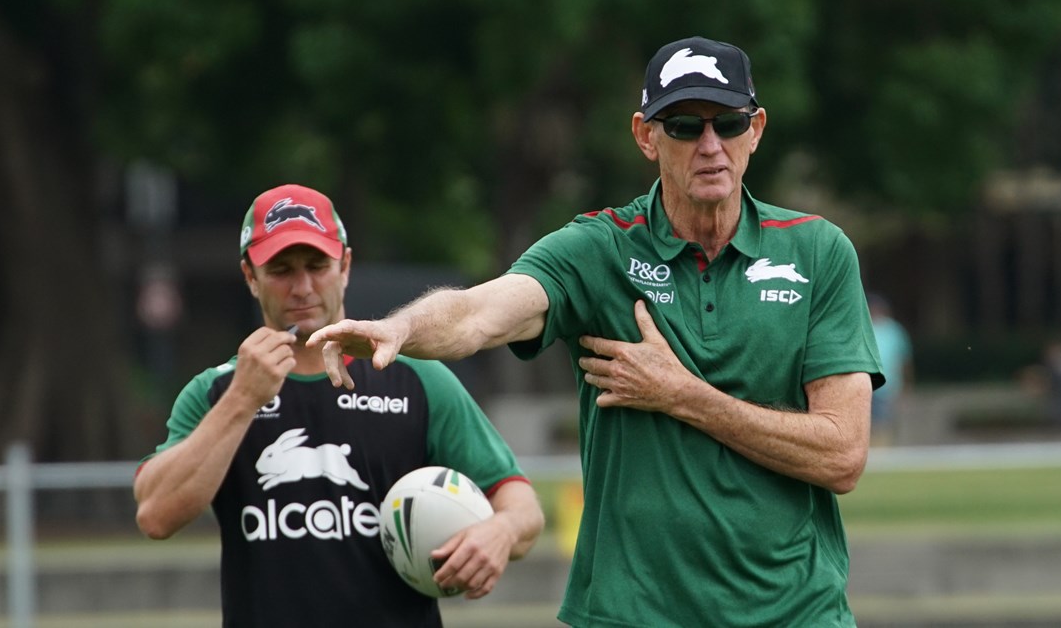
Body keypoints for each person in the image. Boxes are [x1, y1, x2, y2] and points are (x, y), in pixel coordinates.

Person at [309, 37, 883, 626]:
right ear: (646, 135)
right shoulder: (600, 248)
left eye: (728, 123)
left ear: (755, 129)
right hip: (631, 614)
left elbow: (842, 455)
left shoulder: (818, 250)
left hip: (795, 614)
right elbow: (481, 312)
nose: (711, 146)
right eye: (685, 126)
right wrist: (399, 327)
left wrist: (684, 397)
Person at [132, 184, 544, 627]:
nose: (302, 287)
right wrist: (242, 400)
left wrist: (499, 532)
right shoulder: (217, 391)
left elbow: (523, 508)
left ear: (345, 266)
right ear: (251, 277)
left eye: (317, 265)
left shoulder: (416, 379)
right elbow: (156, 515)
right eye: (280, 270)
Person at [868, 292, 911, 435]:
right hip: (867, 384)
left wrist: (905, 387)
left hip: (889, 386)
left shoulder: (894, 329)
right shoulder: (865, 326)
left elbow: (904, 360)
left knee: (884, 423)